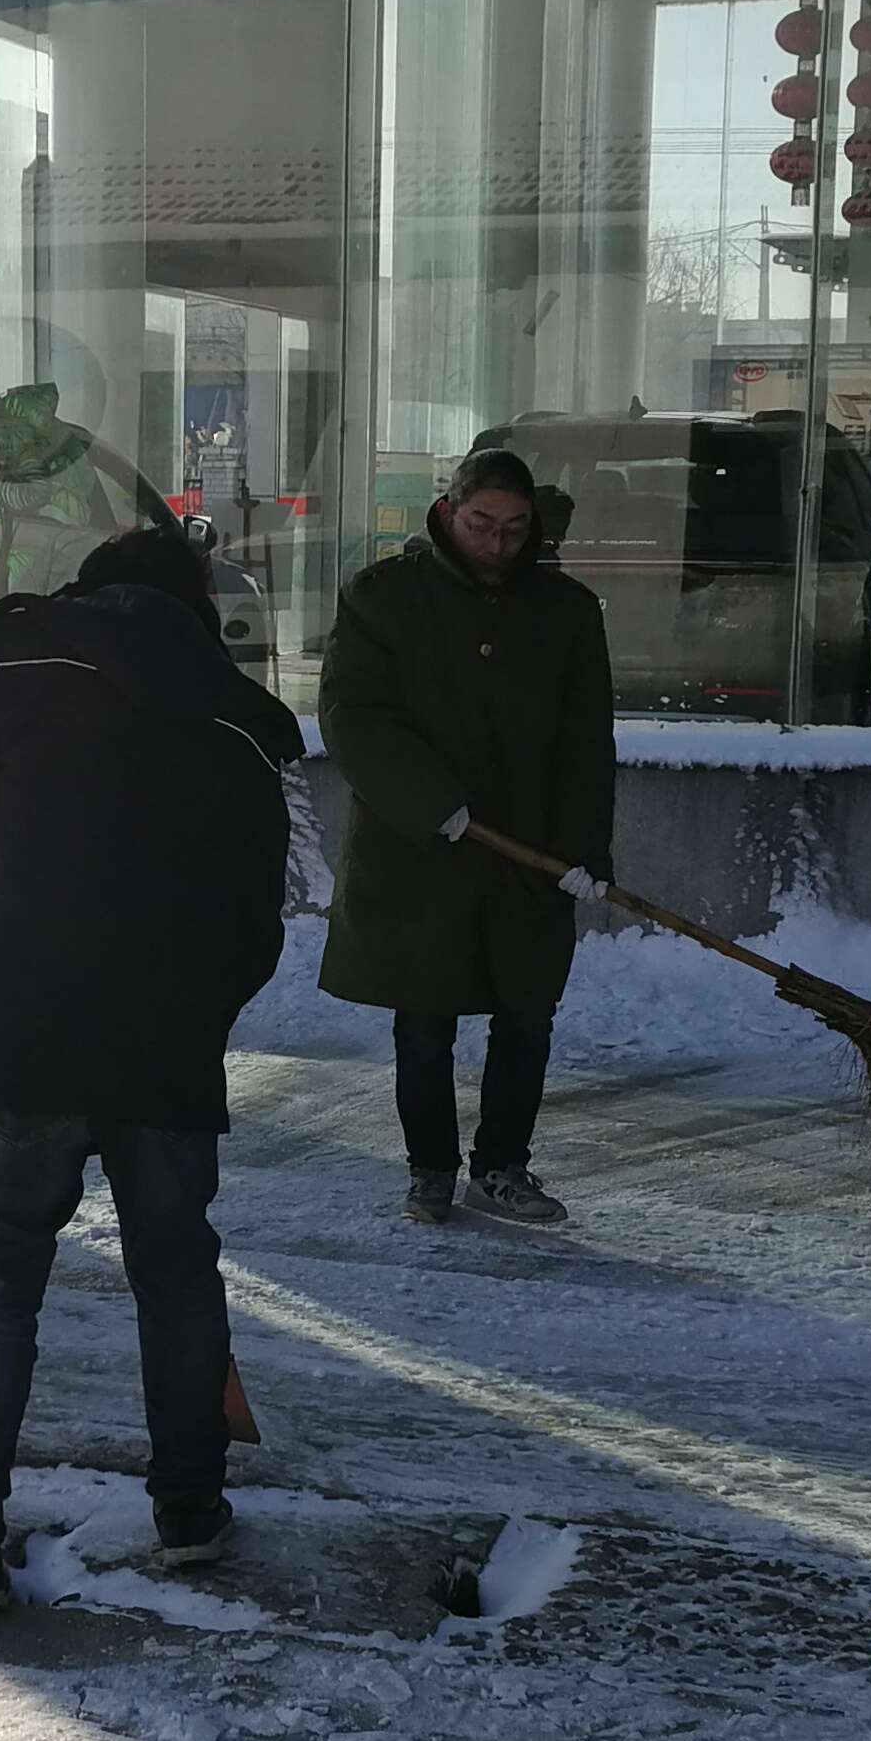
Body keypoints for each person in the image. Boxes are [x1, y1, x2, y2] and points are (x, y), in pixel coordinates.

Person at [0, 522, 306, 1616]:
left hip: (16, 1023)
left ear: (86, 587)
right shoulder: (240, 718)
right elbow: (259, 922)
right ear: (198, 608)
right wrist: (194, 1010)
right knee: (176, 1268)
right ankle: (192, 1510)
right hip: (166, 1043)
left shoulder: (16, 654)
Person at [314, 444, 617, 1229]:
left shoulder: (566, 612)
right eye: (482, 524)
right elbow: (353, 715)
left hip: (529, 854)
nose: (497, 544)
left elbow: (586, 742)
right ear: (449, 511)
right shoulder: (383, 598)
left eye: (514, 528)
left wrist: (584, 850)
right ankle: (431, 1170)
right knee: (425, 1019)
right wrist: (430, 803)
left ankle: (503, 1167)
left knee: (527, 1015)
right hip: (420, 851)